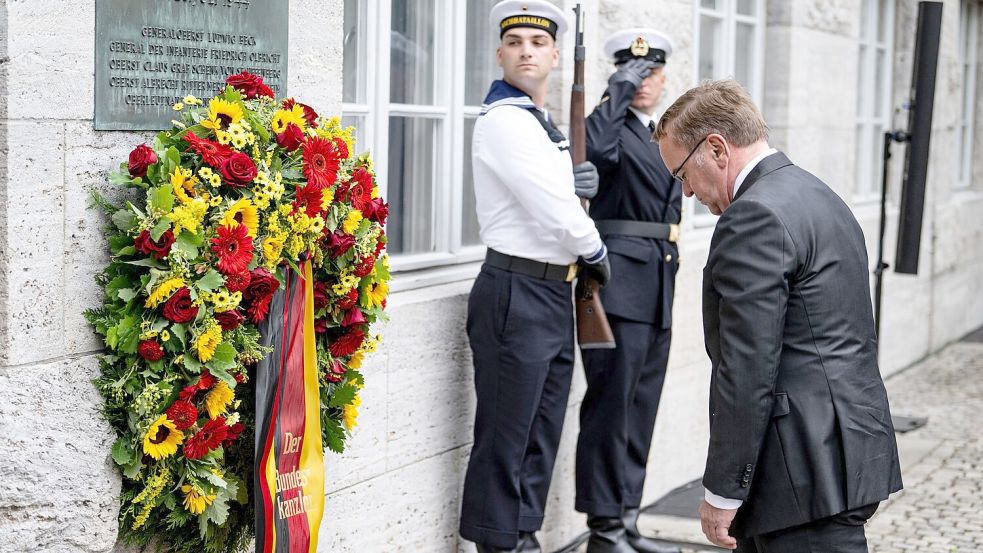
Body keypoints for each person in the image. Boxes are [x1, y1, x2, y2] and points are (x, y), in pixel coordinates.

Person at [654, 79, 903, 552]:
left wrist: (722, 490)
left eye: (681, 173)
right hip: (841, 449)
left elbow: (747, 367)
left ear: (717, 148)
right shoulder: (816, 193)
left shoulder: (754, 216)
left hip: (800, 470)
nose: (686, 192)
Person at [459, 2, 610, 552]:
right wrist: (594, 245)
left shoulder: (541, 125)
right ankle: (500, 544)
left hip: (552, 289)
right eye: (515, 41)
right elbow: (552, 210)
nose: (526, 50)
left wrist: (578, 182)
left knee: (541, 430)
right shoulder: (505, 121)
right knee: (506, 433)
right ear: (499, 54)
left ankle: (523, 534)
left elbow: (557, 199)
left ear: (553, 55)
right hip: (515, 290)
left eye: (537, 43)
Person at [575, 29, 681, 553]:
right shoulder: (611, 128)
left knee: (641, 408)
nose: (642, 82)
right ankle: (603, 529)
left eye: (649, 73)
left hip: (659, 283)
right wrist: (614, 92)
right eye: (631, 73)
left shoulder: (663, 133)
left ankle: (628, 519)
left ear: (665, 78)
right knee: (611, 408)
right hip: (618, 288)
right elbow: (592, 150)